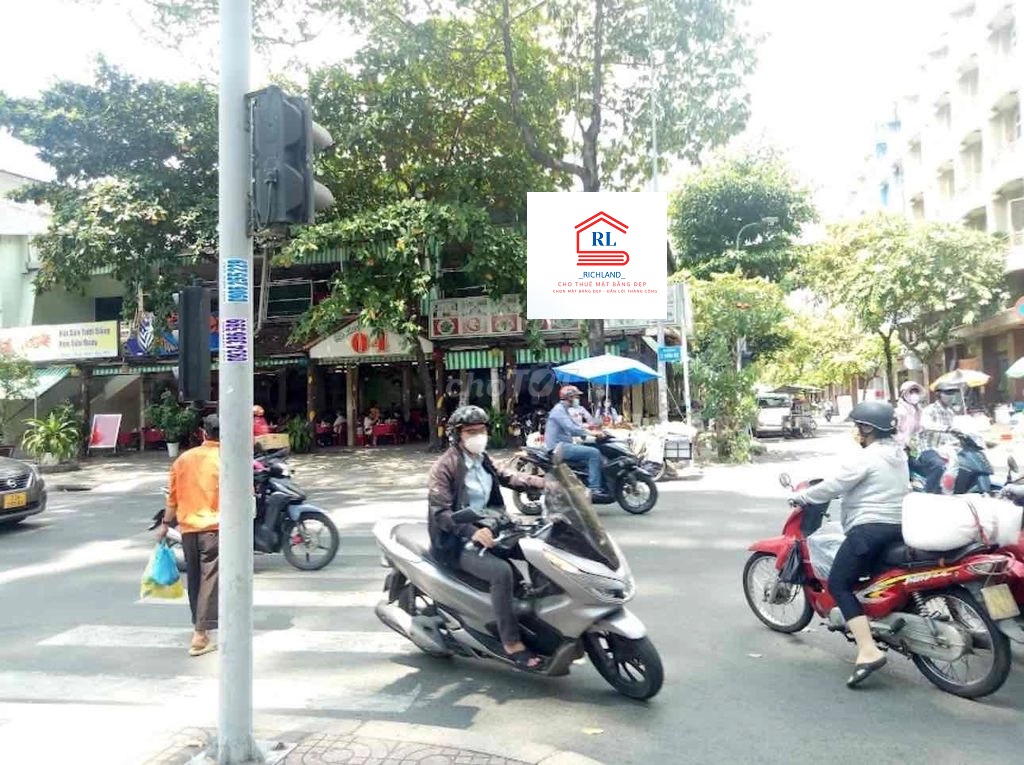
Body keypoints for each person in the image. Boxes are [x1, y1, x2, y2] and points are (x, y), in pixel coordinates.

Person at [792, 401, 908, 688]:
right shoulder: (899, 454)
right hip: (899, 528)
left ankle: (868, 650)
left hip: (868, 530)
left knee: (839, 584)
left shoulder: (867, 457)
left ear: (868, 428)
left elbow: (835, 485)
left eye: (858, 426)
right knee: (871, 579)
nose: (856, 431)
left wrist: (802, 497)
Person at [427, 405, 547, 668]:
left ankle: (538, 623)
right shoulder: (445, 467)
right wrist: (472, 531)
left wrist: (545, 483)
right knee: (501, 572)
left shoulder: (483, 459)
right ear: (457, 435)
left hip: (491, 529)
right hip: (455, 541)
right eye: (471, 432)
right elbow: (441, 514)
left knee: (539, 552)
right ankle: (511, 643)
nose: (478, 436)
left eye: (481, 430)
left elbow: (508, 476)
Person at [155, 413, 221, 657]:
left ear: (204, 433)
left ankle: (200, 627)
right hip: (214, 528)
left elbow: (172, 498)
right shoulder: (227, 459)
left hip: (189, 529)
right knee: (210, 580)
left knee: (195, 580)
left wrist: (165, 525)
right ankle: (201, 634)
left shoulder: (183, 459)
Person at [545, 385, 608, 501]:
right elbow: (571, 428)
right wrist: (590, 433)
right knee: (594, 453)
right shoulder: (559, 410)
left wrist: (589, 431)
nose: (577, 399)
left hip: (563, 445)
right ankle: (594, 489)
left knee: (591, 447)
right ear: (569, 397)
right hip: (558, 447)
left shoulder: (564, 410)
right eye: (576, 397)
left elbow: (574, 426)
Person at [916, 382, 961, 493]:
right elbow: (925, 424)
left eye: (952, 393)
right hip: (929, 449)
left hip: (947, 449)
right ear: (939, 395)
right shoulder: (930, 410)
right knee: (938, 465)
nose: (951, 396)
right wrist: (945, 428)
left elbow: (955, 430)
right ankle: (930, 494)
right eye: (947, 393)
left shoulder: (950, 412)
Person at [894, 381, 924, 455]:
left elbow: (920, 429)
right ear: (903, 394)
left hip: (917, 448)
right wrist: (905, 442)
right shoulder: (899, 411)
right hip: (901, 449)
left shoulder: (920, 411)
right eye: (911, 392)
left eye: (916, 392)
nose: (914, 394)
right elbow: (895, 432)